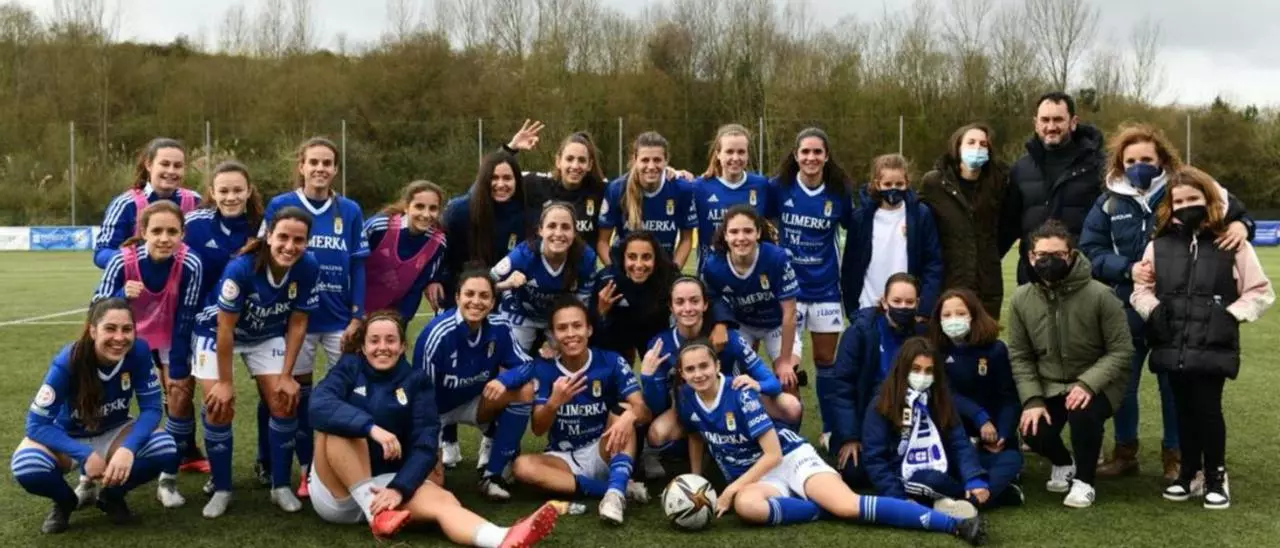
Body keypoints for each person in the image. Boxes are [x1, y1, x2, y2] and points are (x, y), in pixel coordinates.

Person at [669, 339, 987, 545]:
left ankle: (953, 525)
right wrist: (697, 478)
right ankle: (819, 509)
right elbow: (697, 434)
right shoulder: (686, 398)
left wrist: (729, 490)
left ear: (717, 366)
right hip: (759, 477)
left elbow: (773, 454)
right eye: (690, 369)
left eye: (704, 366)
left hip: (789, 459)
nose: (698, 374)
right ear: (682, 374)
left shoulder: (740, 393)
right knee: (747, 507)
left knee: (848, 506)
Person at [1079, 124, 1253, 481]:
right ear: (1120, 163)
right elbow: (1090, 250)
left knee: (1174, 387)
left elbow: (1234, 211)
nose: (1138, 166)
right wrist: (1126, 268)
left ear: (1161, 159)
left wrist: (1243, 226)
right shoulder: (1108, 200)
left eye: (1146, 158)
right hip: (1127, 307)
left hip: (1179, 311)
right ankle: (1125, 452)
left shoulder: (1183, 187)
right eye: (1130, 161)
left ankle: (1176, 455)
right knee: (1123, 385)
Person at [311, 310, 560, 544]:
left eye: (390, 340)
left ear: (402, 346)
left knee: (444, 500)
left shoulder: (417, 382)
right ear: (363, 347)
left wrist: (400, 488)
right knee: (337, 426)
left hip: (387, 490)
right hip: (339, 492)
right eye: (374, 341)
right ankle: (371, 509)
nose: (383, 347)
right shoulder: (349, 367)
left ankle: (500, 538)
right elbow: (318, 404)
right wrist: (370, 428)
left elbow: (425, 443)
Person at [1130, 166, 1274, 509]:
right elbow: (1141, 289)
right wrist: (1153, 310)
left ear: (1208, 199)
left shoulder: (1232, 243)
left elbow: (1260, 291)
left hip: (1212, 344)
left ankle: (1215, 476)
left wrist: (1229, 316)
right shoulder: (1159, 245)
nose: (1185, 206)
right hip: (1172, 341)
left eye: (1192, 198)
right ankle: (1188, 473)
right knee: (1182, 410)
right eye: (1179, 201)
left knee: (1208, 409)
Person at [190, 206, 321, 518]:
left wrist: (287, 375)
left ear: (307, 242)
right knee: (219, 406)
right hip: (218, 332)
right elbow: (224, 329)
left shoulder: (308, 266)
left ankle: (280, 486)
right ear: (269, 236)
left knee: (284, 401)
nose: (290, 246)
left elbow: (298, 323)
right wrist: (225, 382)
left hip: (266, 334)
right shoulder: (242, 268)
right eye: (283, 237)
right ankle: (222, 488)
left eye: (299, 240)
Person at [262, 137, 370, 499]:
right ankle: (305, 468)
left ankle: (345, 464)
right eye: (314, 162)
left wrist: (357, 315)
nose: (320, 169)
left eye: (327, 163)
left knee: (347, 394)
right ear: (302, 166)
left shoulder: (350, 210)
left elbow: (358, 264)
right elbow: (267, 256)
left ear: (335, 169)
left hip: (339, 320)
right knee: (298, 396)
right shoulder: (281, 205)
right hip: (297, 320)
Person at [13, 299, 179, 533]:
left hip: (114, 431)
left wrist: (127, 449)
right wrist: (85, 454)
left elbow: (151, 408)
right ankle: (65, 502)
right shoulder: (69, 360)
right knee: (27, 466)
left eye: (127, 329)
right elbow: (36, 424)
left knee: (164, 447)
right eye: (110, 328)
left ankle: (112, 496)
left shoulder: (139, 352)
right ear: (93, 331)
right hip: (68, 436)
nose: (119, 337)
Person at [1007, 220, 1132, 508]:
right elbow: (1020, 355)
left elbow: (1121, 350)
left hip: (1097, 382)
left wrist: (1088, 384)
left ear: (1071, 255)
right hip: (1049, 383)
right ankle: (1064, 463)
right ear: (1031, 257)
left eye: (1058, 255)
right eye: (1042, 255)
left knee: (1082, 414)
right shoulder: (1021, 299)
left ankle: (1085, 481)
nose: (1049, 261)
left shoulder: (1101, 295)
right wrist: (1033, 399)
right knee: (1032, 429)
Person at [91, 201, 203, 507]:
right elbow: (96, 308)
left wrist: (177, 367)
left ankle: (168, 479)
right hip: (126, 336)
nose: (164, 238)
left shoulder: (190, 263)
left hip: (170, 336)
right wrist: (120, 295)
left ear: (182, 234)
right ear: (143, 232)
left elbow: (186, 316)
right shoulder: (122, 261)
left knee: (179, 397)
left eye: (172, 232)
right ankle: (89, 478)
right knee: (101, 398)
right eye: (157, 231)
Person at [511, 297, 652, 525]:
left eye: (577, 326)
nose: (570, 334)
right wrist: (554, 402)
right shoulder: (544, 368)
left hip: (604, 448)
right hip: (563, 458)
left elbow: (643, 410)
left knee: (624, 410)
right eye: (562, 328)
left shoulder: (610, 361)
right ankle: (615, 488)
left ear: (589, 329)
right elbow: (538, 429)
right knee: (521, 467)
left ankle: (614, 497)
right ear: (553, 334)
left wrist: (630, 416)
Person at [438, 149, 529, 468]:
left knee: (494, 369)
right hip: (458, 297)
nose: (501, 184)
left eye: (508, 178)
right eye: (494, 178)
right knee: (449, 369)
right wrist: (439, 283)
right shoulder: (461, 211)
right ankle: (447, 438)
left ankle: (491, 438)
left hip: (500, 304)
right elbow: (445, 258)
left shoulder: (523, 213)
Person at [413, 271, 539, 501]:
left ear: (492, 302)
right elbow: (421, 396)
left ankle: (493, 473)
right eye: (469, 294)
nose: (476, 301)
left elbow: (527, 365)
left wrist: (504, 380)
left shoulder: (500, 327)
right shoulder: (437, 334)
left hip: (475, 402)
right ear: (457, 297)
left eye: (484, 296)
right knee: (433, 486)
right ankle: (438, 449)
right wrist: (429, 439)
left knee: (524, 390)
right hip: (435, 411)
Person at [184, 160, 266, 483]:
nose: (231, 197)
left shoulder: (262, 225)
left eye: (237, 190)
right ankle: (220, 481)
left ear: (249, 191)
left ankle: (267, 463)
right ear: (212, 192)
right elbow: (161, 243)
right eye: (224, 191)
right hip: (211, 325)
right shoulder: (195, 224)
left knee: (278, 398)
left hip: (258, 325)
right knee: (218, 404)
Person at [643, 276, 804, 440]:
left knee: (790, 406)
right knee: (658, 434)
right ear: (671, 307)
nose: (688, 308)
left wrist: (757, 385)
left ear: (705, 304)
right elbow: (657, 407)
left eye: (694, 301)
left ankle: (780, 441)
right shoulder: (661, 345)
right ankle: (703, 447)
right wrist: (648, 378)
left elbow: (772, 384)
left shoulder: (729, 337)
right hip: (691, 409)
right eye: (680, 302)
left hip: (733, 402)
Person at [769, 128, 855, 434]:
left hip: (826, 290)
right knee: (788, 366)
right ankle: (791, 432)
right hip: (788, 293)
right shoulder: (779, 188)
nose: (811, 157)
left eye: (817, 151)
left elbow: (856, 226)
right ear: (796, 155)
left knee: (825, 361)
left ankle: (829, 431)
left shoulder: (839, 192)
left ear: (827, 156)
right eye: (805, 151)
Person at [861, 337, 989, 519]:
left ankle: (952, 501)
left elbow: (959, 442)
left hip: (943, 469)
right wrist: (899, 498)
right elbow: (875, 459)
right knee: (930, 481)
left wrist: (973, 478)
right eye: (916, 369)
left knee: (1006, 462)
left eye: (929, 371)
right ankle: (968, 499)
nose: (922, 376)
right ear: (902, 369)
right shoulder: (881, 404)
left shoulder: (941, 399)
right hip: (905, 476)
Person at [823, 273, 928, 487]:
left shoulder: (922, 335)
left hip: (907, 417)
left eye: (909, 302)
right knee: (855, 473)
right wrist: (850, 437)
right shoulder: (860, 332)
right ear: (884, 301)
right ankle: (836, 438)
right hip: (866, 417)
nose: (903, 307)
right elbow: (842, 386)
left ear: (917, 303)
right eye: (897, 301)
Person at [928, 289, 1025, 508]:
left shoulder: (995, 350)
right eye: (947, 315)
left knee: (1012, 460)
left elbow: (1008, 397)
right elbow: (947, 394)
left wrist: (1002, 434)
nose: (954, 319)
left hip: (993, 437)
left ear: (973, 315)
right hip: (958, 433)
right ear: (938, 320)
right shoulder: (935, 352)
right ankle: (997, 494)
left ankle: (971, 499)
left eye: (961, 313)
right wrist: (980, 417)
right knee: (949, 463)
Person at [1000, 92, 1106, 283]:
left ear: (1073, 122)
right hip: (1033, 278)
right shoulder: (1020, 169)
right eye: (1045, 120)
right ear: (1035, 123)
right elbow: (1007, 227)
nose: (1051, 127)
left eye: (1058, 120)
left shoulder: (1099, 166)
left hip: (1083, 278)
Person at [703, 205, 802, 392]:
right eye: (734, 232)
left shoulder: (776, 258)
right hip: (741, 324)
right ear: (725, 235)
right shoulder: (714, 266)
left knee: (788, 381)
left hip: (776, 324)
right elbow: (712, 299)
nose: (741, 238)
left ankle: (788, 410)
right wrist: (720, 325)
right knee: (734, 381)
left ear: (758, 233)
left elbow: (789, 312)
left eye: (748, 231)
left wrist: (785, 362)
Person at [919, 123, 1008, 319]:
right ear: (957, 146)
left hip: (987, 284)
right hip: (948, 281)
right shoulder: (934, 183)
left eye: (983, 144)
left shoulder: (999, 182)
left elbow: (1006, 225)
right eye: (971, 142)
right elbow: (920, 220)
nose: (977, 148)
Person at [841, 154, 943, 318]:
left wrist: (924, 307)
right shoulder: (860, 218)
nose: (893, 188)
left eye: (899, 184)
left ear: (907, 183)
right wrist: (852, 308)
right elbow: (850, 265)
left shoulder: (921, 215)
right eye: (888, 184)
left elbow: (933, 263)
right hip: (867, 306)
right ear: (877, 184)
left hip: (907, 308)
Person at [491, 202, 599, 353]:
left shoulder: (586, 258)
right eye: (552, 226)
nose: (558, 233)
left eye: (566, 227)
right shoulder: (523, 255)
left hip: (559, 316)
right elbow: (485, 285)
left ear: (575, 232)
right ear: (540, 230)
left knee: (570, 354)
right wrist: (506, 284)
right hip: (521, 312)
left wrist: (557, 344)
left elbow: (581, 306)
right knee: (510, 358)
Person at [94, 138, 202, 269]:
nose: (171, 171)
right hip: (137, 281)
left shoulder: (195, 201)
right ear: (149, 165)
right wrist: (134, 261)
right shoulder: (125, 204)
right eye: (165, 164)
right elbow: (102, 253)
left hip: (185, 281)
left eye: (178, 166)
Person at [597, 131, 697, 269]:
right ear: (635, 160)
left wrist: (673, 272)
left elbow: (686, 240)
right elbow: (602, 242)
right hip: (626, 270)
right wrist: (615, 273)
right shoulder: (617, 189)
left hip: (663, 271)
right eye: (645, 160)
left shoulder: (682, 189)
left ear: (666, 160)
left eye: (657, 160)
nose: (651, 166)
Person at [501, 120, 608, 244]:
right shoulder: (536, 184)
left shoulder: (601, 190)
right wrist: (510, 148)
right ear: (558, 161)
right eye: (569, 159)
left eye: (582, 160)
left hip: (582, 257)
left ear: (589, 165)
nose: (575, 166)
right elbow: (493, 175)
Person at [363, 180, 448, 321]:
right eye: (419, 206)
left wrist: (400, 320)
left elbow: (416, 288)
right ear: (407, 207)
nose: (426, 214)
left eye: (433, 208)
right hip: (355, 312)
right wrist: (355, 311)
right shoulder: (378, 227)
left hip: (393, 319)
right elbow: (352, 264)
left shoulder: (437, 243)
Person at [693, 123, 772, 273]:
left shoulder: (761, 185)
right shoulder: (699, 187)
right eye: (729, 151)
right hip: (711, 273)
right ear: (718, 154)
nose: (735, 158)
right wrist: (671, 172)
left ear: (748, 154)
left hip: (751, 273)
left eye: (741, 152)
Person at [591, 231, 681, 361]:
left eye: (646, 257)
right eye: (632, 257)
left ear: (656, 259)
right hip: (618, 331)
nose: (639, 265)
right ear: (623, 258)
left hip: (655, 329)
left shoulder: (669, 279)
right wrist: (600, 312)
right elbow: (592, 331)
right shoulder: (607, 280)